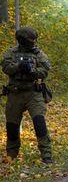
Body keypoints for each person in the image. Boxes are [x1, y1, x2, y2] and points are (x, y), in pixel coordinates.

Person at [0, 26, 52, 163]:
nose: (33, 42)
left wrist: (31, 71)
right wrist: (18, 66)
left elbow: (44, 72)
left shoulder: (39, 54)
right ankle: (11, 155)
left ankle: (46, 155)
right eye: (31, 40)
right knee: (12, 126)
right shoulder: (11, 53)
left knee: (39, 122)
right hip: (15, 93)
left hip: (33, 92)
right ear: (22, 40)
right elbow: (6, 68)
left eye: (35, 40)